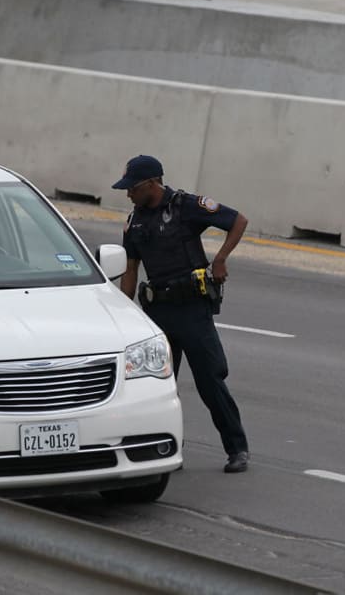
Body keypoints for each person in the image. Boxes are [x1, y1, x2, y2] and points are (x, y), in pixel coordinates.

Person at [113, 155, 251, 473]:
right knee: (158, 387)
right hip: (158, 312)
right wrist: (124, 313)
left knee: (210, 381)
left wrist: (220, 260)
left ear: (151, 184)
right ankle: (165, 449)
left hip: (191, 310)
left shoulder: (185, 205)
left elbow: (238, 221)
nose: (128, 194)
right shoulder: (134, 221)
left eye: (132, 188)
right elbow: (131, 268)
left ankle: (237, 448)